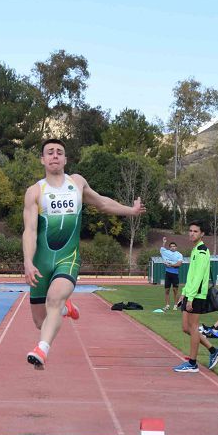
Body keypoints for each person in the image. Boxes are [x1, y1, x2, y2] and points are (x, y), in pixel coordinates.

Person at [23, 139, 145, 369]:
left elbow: (102, 203)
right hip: (41, 261)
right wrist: (28, 262)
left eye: (59, 152)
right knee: (41, 321)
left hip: (67, 258)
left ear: (66, 159)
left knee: (54, 299)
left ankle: (42, 349)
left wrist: (131, 211)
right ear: (42, 159)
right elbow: (29, 230)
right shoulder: (34, 192)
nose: (55, 155)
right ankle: (65, 308)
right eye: (50, 152)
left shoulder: (76, 183)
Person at [172, 221, 218, 373]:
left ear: (202, 234)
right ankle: (213, 350)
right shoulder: (195, 249)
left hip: (197, 295)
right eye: (190, 230)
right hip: (190, 293)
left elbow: (200, 276)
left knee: (193, 327)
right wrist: (185, 293)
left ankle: (192, 363)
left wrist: (192, 297)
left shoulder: (202, 251)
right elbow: (192, 276)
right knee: (186, 327)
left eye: (195, 231)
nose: (192, 233)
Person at [159, 239, 183, 311]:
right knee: (167, 290)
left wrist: (171, 265)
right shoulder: (166, 252)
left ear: (176, 247)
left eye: (174, 246)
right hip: (168, 274)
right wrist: (164, 242)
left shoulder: (179, 254)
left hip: (175, 274)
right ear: (169, 248)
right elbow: (162, 249)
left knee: (175, 290)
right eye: (171, 246)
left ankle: (175, 305)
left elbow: (179, 264)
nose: (173, 247)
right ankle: (167, 305)